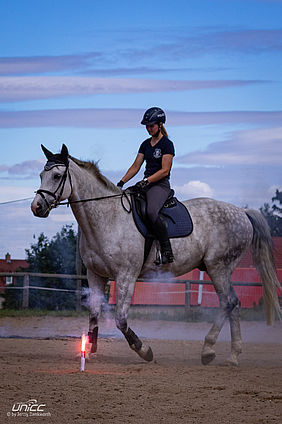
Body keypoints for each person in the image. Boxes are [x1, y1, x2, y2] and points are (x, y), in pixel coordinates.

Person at [117, 107, 175, 264]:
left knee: (150, 212)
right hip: (146, 183)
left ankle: (167, 250)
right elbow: (136, 166)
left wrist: (147, 181)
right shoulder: (145, 144)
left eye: (151, 126)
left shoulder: (167, 145)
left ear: (160, 124)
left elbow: (164, 170)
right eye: (147, 126)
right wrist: (121, 183)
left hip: (160, 185)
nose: (149, 129)